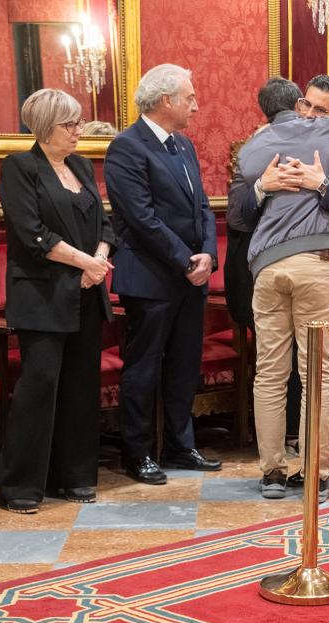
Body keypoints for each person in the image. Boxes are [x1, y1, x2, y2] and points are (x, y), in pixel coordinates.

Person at [226, 75, 329, 499]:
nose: (310, 116)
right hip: (304, 266)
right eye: (307, 106)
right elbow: (239, 214)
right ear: (298, 104)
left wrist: (319, 183)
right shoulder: (278, 140)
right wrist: (266, 185)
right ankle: (300, 472)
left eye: (320, 111)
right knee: (307, 377)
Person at [0, 89, 115, 513]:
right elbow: (32, 235)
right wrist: (86, 263)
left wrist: (97, 262)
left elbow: (105, 221)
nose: (78, 131)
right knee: (39, 389)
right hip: (42, 296)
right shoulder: (19, 167)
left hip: (85, 291)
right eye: (70, 124)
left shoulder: (80, 165)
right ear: (45, 126)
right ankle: (21, 485)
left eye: (79, 123)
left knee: (82, 388)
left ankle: (75, 476)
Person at [104, 63, 222, 485]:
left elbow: (203, 208)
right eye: (190, 97)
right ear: (166, 101)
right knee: (144, 367)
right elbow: (140, 218)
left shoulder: (183, 146)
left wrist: (207, 254)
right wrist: (186, 260)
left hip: (191, 276)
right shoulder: (126, 147)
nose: (195, 105)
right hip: (151, 278)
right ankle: (138, 453)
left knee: (184, 365)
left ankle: (179, 445)